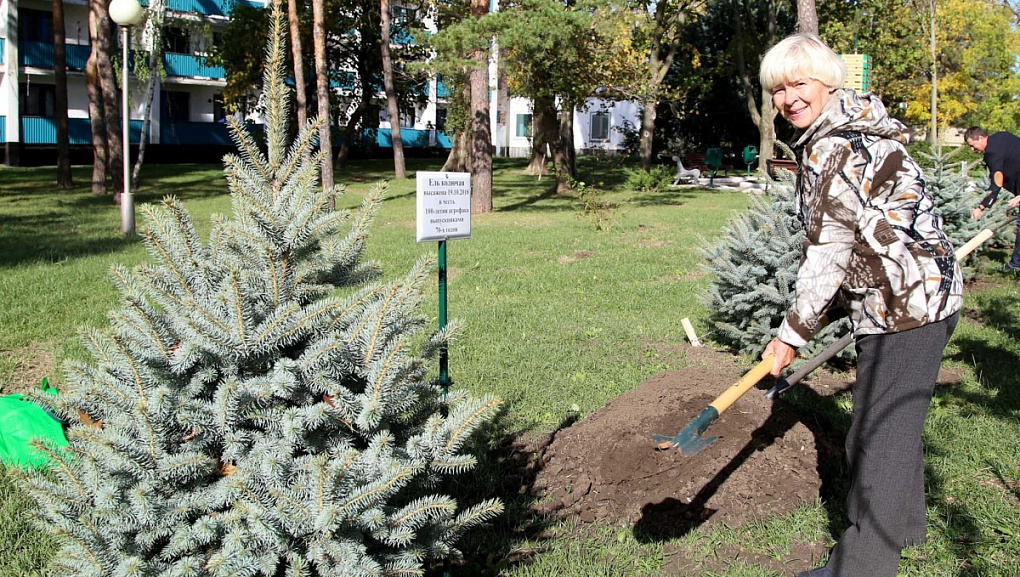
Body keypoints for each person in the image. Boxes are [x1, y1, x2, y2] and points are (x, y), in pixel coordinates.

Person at [758, 34, 963, 577]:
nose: (789, 98)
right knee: (889, 424)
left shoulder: (836, 147)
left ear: (828, 82)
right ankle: (908, 530)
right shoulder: (855, 131)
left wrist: (791, 334)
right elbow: (848, 247)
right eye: (778, 88)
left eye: (799, 83)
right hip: (910, 297)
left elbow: (829, 253)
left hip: (908, 306)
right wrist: (803, 327)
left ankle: (863, 567)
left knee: (877, 437)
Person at [965, 126, 1020, 271]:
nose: (972, 150)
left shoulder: (992, 152)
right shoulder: (1002, 135)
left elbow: (997, 182)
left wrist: (982, 206)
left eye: (972, 145)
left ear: (981, 138)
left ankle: (1016, 265)